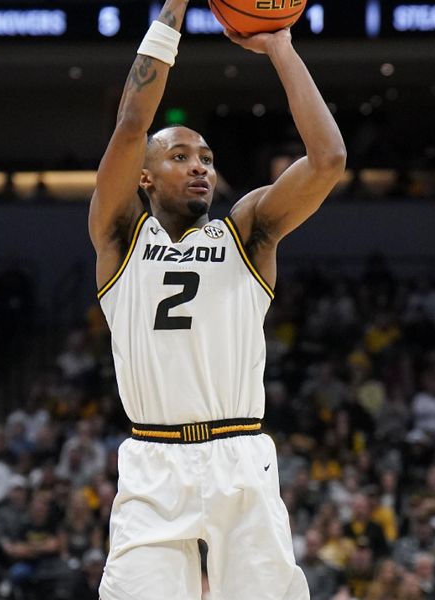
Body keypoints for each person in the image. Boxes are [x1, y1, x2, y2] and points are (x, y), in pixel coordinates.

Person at [88, 0, 346, 596]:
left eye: (206, 158)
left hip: (239, 456)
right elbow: (132, 125)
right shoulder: (120, 236)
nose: (199, 167)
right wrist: (174, 8)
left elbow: (329, 160)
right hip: (153, 464)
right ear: (145, 177)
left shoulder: (248, 232)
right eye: (179, 157)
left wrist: (280, 47)